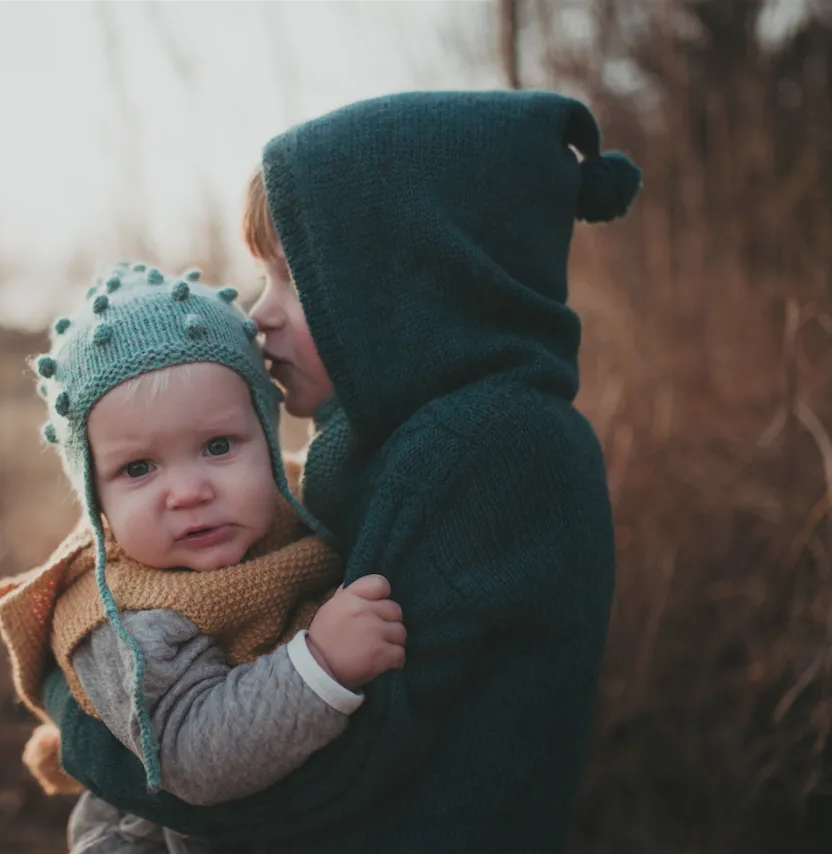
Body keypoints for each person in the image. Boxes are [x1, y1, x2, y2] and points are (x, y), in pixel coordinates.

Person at [43, 90, 642, 853]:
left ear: (407, 278)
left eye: (294, 279)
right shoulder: (384, 433)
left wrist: (83, 726)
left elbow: (334, 779)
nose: (259, 315)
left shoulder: (489, 443)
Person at [0, 262, 405, 853]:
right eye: (137, 468)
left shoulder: (301, 510)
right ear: (94, 496)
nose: (188, 492)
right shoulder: (122, 619)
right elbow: (191, 753)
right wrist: (320, 663)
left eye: (217, 446)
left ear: (265, 434)